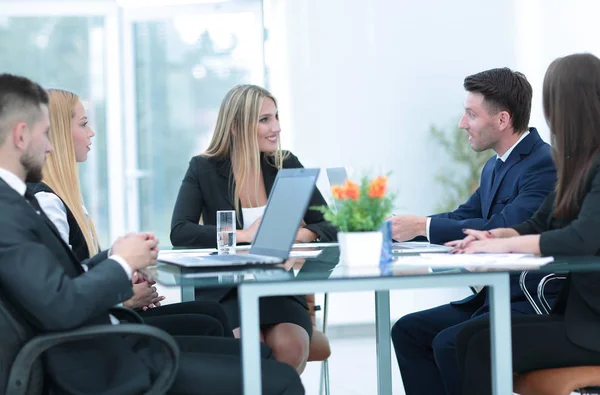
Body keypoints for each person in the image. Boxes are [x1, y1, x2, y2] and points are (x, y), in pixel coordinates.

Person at [0, 73, 304, 395]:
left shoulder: (18, 204)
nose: (50, 146)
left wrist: (112, 257)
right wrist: (119, 263)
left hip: (105, 348)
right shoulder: (10, 213)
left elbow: (51, 287)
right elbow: (61, 306)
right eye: (45, 134)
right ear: (21, 136)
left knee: (254, 357)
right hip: (100, 367)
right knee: (278, 379)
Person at [390, 68, 558, 395]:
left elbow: (505, 228)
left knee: (449, 344)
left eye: (471, 114)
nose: (462, 123)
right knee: (408, 331)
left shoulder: (542, 163)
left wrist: (422, 226)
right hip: (494, 296)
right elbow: (464, 216)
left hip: (527, 300)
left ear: (502, 119)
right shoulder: (495, 165)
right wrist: (404, 229)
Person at [450, 53, 600, 395]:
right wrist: (491, 236)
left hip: (592, 324)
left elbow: (581, 239)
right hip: (579, 316)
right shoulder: (576, 163)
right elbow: (537, 223)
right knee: (468, 337)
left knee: (481, 346)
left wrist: (501, 245)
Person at [29, 88, 234, 337]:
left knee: (212, 313)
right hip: (95, 337)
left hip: (100, 320)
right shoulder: (48, 203)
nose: (91, 132)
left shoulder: (62, 200)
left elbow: (76, 273)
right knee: (208, 323)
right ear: (60, 134)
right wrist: (123, 298)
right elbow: (60, 298)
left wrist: (121, 275)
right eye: (83, 124)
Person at [170, 84, 335, 373]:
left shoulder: (286, 163)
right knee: (249, 352)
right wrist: (245, 236)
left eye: (276, 117)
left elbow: (330, 224)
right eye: (265, 120)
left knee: (292, 346)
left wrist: (291, 234)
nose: (277, 127)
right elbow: (180, 232)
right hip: (224, 289)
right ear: (235, 127)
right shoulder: (203, 168)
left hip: (278, 286)